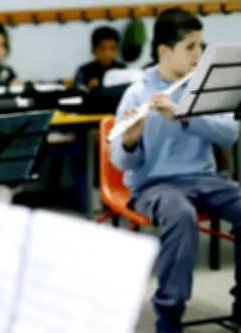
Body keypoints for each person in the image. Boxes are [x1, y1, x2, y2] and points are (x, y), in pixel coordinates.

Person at [110, 9, 241, 332]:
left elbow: (229, 134)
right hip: (154, 185)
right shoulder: (137, 92)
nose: (199, 54)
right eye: (190, 46)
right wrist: (130, 141)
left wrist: (186, 116)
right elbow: (120, 163)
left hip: (206, 179)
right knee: (181, 216)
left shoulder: (205, 86)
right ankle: (169, 316)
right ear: (164, 51)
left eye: (201, 45)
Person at [73, 26, 127, 90]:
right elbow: (76, 95)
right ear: (93, 50)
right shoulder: (83, 71)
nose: (107, 54)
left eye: (112, 48)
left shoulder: (123, 70)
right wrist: (87, 88)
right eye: (102, 49)